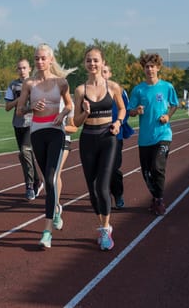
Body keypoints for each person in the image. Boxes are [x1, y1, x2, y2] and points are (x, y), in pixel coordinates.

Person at [16, 43, 75, 249]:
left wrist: (61, 115)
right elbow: (19, 111)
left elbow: (69, 105)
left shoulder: (61, 82)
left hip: (56, 132)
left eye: (43, 58)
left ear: (51, 59)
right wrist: (31, 107)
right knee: (47, 179)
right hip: (37, 133)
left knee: (50, 179)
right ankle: (57, 208)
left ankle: (47, 231)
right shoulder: (29, 84)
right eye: (37, 58)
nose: (40, 61)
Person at [73, 47, 126, 251]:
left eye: (96, 60)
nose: (92, 64)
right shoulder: (80, 90)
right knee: (92, 189)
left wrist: (119, 122)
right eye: (88, 61)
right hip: (87, 139)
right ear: (85, 64)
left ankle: (105, 229)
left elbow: (121, 108)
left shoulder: (113, 87)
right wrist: (85, 113)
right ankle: (102, 222)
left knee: (102, 186)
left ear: (103, 62)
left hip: (108, 138)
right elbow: (76, 122)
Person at [128, 53, 179, 216]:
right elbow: (130, 111)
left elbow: (174, 105)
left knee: (158, 167)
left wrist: (167, 116)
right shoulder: (138, 90)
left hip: (163, 135)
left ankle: (159, 200)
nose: (150, 69)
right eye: (146, 66)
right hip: (145, 138)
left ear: (158, 68)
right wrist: (136, 111)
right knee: (146, 172)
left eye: (152, 66)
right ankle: (156, 197)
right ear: (143, 69)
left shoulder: (167, 87)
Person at [4, 58, 44, 201]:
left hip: (32, 123)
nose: (22, 71)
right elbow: (8, 107)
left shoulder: (36, 83)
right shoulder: (13, 86)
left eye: (24, 68)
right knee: (24, 155)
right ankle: (38, 181)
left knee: (25, 151)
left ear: (29, 69)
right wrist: (19, 99)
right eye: (19, 68)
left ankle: (29, 186)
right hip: (18, 124)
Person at [102, 63, 134, 209]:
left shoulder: (119, 91)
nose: (102, 75)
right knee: (100, 168)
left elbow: (125, 111)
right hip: (97, 135)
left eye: (105, 72)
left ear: (110, 74)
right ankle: (104, 194)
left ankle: (118, 194)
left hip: (115, 134)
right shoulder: (90, 90)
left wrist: (118, 123)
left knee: (113, 168)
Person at [54, 99, 77, 230]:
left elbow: (73, 127)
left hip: (63, 140)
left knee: (55, 175)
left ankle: (56, 209)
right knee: (46, 178)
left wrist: (59, 127)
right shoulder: (40, 97)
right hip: (43, 141)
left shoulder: (68, 103)